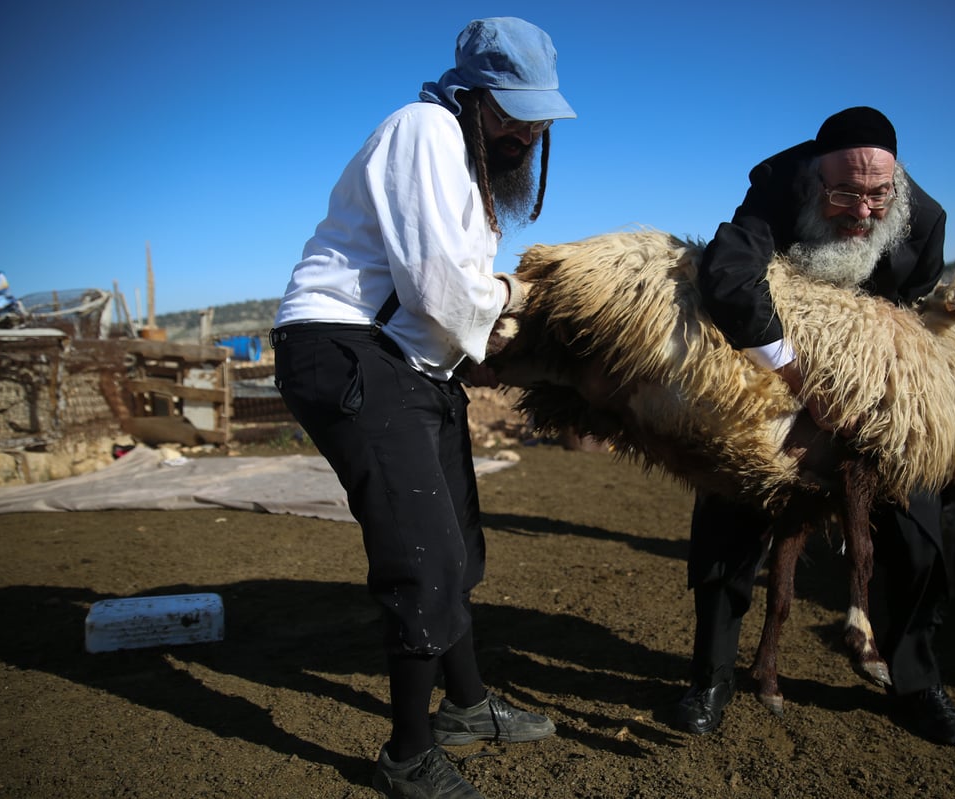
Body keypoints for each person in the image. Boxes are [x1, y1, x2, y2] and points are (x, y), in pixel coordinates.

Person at [271, 17, 574, 798]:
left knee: (457, 545)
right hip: (347, 347)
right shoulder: (425, 131)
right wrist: (516, 296)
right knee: (424, 556)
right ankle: (406, 754)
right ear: (472, 98)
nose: (525, 132)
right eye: (511, 113)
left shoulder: (470, 170)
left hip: (410, 364)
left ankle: (467, 706)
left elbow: (450, 299)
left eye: (536, 118)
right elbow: (444, 289)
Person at [675, 106, 955, 747]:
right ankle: (711, 677)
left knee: (920, 534)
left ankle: (918, 683)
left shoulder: (925, 219)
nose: (862, 212)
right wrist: (797, 375)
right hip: (777, 381)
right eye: (844, 194)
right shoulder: (778, 187)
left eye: (877, 195)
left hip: (874, 396)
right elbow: (726, 274)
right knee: (730, 518)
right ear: (814, 179)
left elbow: (912, 311)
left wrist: (876, 387)